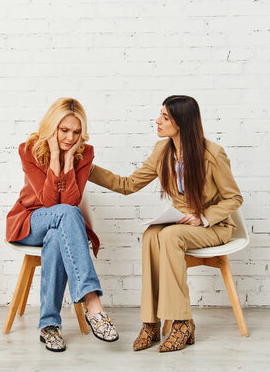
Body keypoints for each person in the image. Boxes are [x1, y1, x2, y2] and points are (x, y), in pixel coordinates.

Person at [89, 95, 243, 353]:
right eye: (159, 115)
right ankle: (151, 322)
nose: (157, 121)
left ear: (181, 122)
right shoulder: (163, 151)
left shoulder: (213, 154)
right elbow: (128, 185)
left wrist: (203, 217)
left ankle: (182, 322)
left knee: (170, 237)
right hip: (181, 222)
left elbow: (234, 198)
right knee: (151, 235)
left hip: (213, 226)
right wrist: (87, 168)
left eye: (165, 117)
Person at [6, 98, 119, 352]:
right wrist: (55, 156)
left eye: (76, 132)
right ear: (52, 127)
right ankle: (93, 303)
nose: (70, 137)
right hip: (30, 221)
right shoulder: (29, 149)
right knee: (64, 215)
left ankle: (49, 327)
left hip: (60, 223)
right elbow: (47, 202)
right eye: (64, 130)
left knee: (58, 235)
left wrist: (69, 162)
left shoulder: (85, 153)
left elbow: (69, 201)